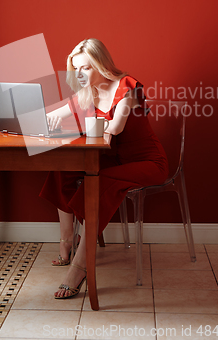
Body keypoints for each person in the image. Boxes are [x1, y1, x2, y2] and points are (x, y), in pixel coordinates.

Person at [39, 38, 168, 299]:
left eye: (86, 68)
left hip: (147, 163)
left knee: (97, 182)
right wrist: (39, 122)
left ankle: (79, 267)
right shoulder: (90, 91)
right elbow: (58, 114)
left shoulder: (128, 88)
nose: (80, 75)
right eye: (76, 69)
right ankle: (67, 242)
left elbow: (116, 127)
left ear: (100, 64)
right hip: (113, 160)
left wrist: (90, 125)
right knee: (62, 169)